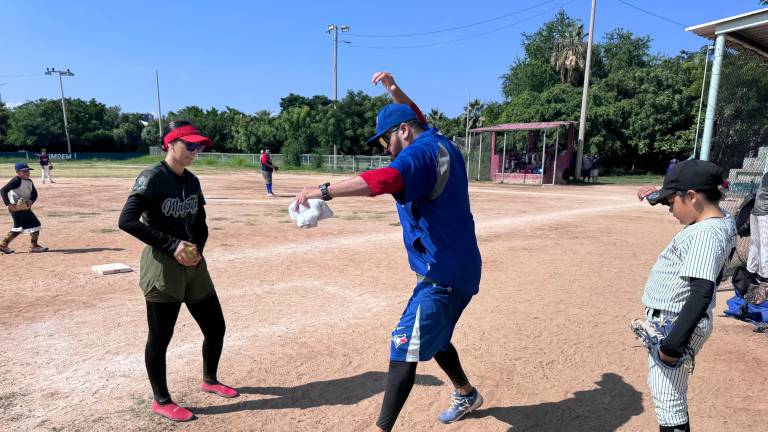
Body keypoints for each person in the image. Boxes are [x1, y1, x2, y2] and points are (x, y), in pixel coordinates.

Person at [294, 72, 483, 431]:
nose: (385, 148)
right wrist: (394, 91)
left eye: (386, 140)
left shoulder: (419, 155)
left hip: (445, 273)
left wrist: (322, 190)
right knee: (435, 336)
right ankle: (466, 393)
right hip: (453, 265)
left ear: (403, 132)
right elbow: (414, 113)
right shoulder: (438, 140)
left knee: (402, 344)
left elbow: (383, 181)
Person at [118, 120, 238, 422]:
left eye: (199, 146)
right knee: (160, 337)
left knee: (216, 327)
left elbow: (200, 222)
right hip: (162, 266)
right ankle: (162, 400)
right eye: (190, 145)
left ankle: (209, 380)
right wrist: (172, 246)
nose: (196, 151)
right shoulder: (152, 177)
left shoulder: (192, 180)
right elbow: (127, 220)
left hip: (193, 265)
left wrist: (197, 250)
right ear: (170, 144)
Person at [636, 160, 736, 432]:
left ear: (692, 196)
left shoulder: (705, 234)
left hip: (677, 322)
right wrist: (659, 195)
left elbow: (701, 293)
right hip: (680, 318)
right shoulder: (722, 218)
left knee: (669, 398)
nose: (670, 209)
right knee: (671, 393)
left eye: (671, 203)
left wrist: (672, 346)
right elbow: (695, 207)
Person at [0, 162, 48, 253]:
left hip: (25, 207)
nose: (27, 172)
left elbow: (34, 193)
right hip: (17, 208)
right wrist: (9, 204)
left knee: (19, 227)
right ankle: (34, 246)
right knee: (35, 224)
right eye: (24, 171)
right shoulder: (16, 180)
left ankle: (3, 245)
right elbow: (3, 190)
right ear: (18, 172)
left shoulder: (29, 181)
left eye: (28, 170)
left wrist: (31, 201)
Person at [747, 171, 768, 283]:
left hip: (756, 212)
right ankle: (764, 277)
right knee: (765, 246)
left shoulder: (766, 174)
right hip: (765, 214)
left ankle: (751, 272)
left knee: (755, 244)